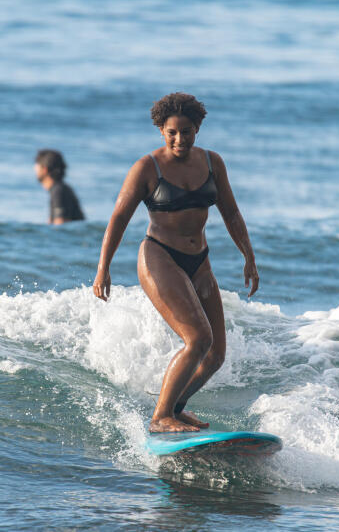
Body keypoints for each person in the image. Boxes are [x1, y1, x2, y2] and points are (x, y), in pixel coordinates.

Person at [92, 92, 259, 433]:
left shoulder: (213, 163)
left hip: (200, 261)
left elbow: (231, 212)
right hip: (159, 257)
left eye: (186, 131)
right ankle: (160, 417)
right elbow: (118, 218)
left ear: (197, 129)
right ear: (161, 131)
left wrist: (249, 257)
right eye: (172, 132)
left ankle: (177, 409)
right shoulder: (146, 168)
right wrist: (103, 268)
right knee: (197, 339)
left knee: (214, 356)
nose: (179, 139)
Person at [35, 149, 85, 224]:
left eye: (37, 166)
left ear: (44, 169)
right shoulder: (60, 188)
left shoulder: (58, 191)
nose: (34, 169)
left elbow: (61, 226)